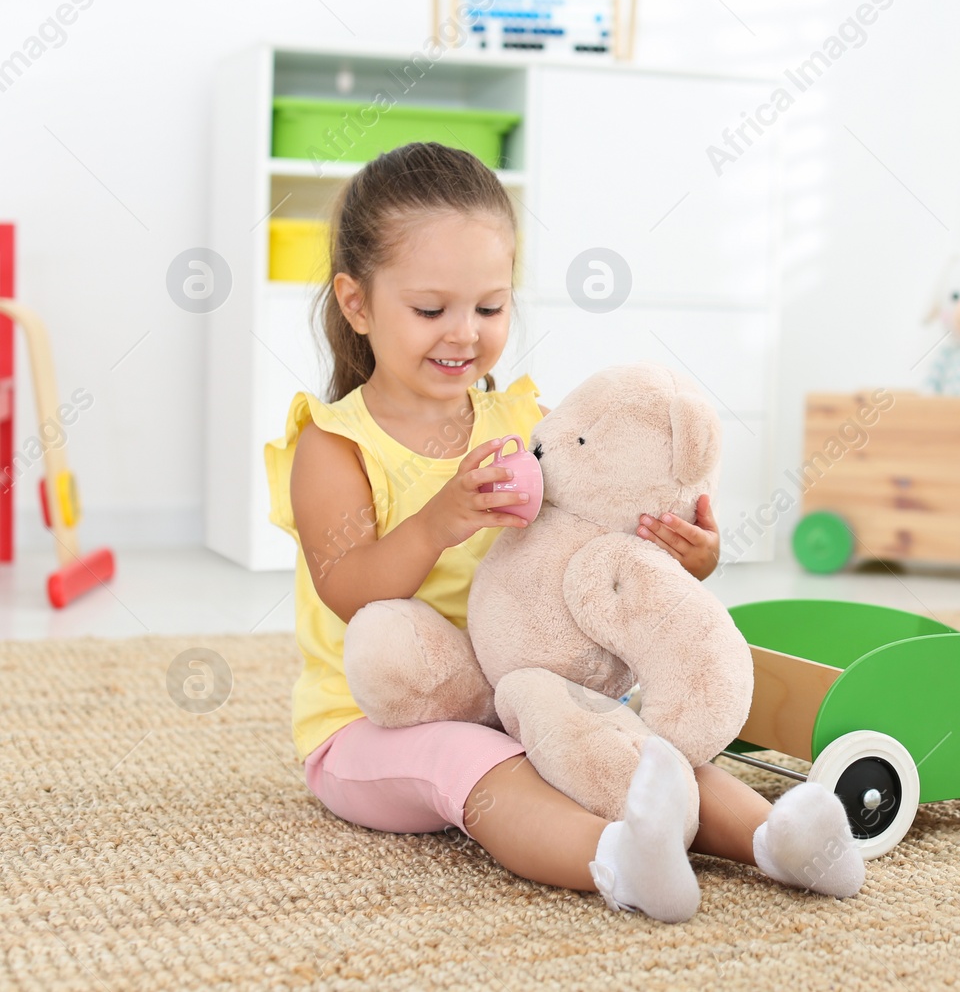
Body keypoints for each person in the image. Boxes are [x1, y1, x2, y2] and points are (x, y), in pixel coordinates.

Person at [262, 141, 863, 922]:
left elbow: (586, 538)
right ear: (357, 304)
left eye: (489, 306)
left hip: (518, 689)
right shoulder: (335, 444)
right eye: (430, 309)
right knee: (483, 762)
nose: (464, 333)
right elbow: (348, 592)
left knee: (632, 745)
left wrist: (689, 556)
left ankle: (779, 841)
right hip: (373, 724)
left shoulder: (521, 420)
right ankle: (613, 860)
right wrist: (441, 518)